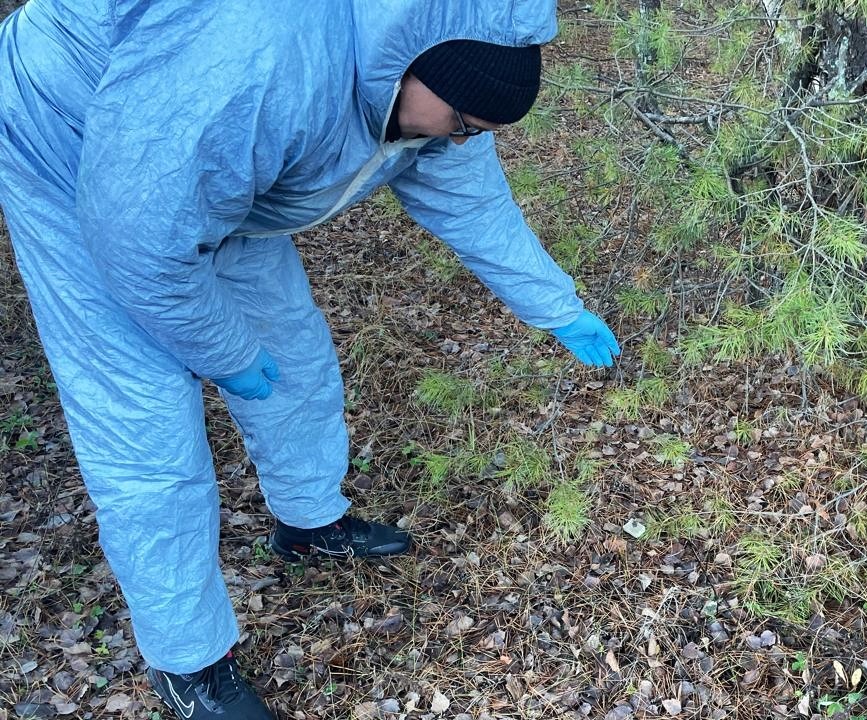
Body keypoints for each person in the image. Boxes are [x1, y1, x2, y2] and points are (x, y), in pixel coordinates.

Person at [0, 1, 620, 717]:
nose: (460, 140)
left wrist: (558, 307)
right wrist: (223, 351)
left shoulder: (428, 80)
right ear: (418, 70)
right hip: (71, 139)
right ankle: (189, 665)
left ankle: (309, 523)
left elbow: (474, 204)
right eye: (460, 124)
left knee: (291, 348)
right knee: (147, 425)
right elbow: (141, 246)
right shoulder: (261, 63)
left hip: (206, 163)